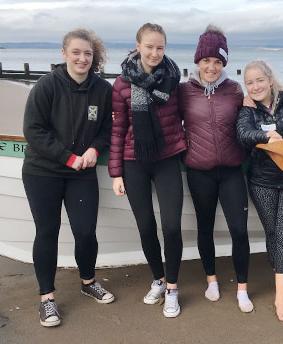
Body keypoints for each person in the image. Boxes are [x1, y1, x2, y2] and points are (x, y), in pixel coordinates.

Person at [22, 28, 114, 327]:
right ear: (64, 54)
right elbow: (33, 130)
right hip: (43, 172)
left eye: (87, 53)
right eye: (76, 52)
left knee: (86, 232)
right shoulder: (47, 86)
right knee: (47, 233)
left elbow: (106, 130)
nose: (82, 58)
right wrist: (68, 157)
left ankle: (88, 282)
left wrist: (94, 150)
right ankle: (47, 298)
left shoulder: (102, 89)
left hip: (81, 175)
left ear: (94, 56)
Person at [109, 23, 186, 317]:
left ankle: (173, 289)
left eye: (160, 47)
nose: (155, 53)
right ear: (138, 45)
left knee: (171, 226)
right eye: (149, 46)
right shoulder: (121, 85)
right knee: (145, 227)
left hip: (167, 159)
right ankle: (159, 279)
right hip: (133, 162)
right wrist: (116, 173)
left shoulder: (173, 79)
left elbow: (185, 116)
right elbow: (117, 130)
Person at [178, 25, 253, 312]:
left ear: (224, 64)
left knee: (239, 230)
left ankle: (243, 288)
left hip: (232, 171)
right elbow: (166, 121)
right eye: (206, 60)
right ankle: (211, 280)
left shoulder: (235, 90)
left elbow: (253, 118)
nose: (211, 67)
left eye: (218, 61)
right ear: (197, 61)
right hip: (199, 172)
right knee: (205, 228)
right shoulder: (184, 91)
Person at [236, 60, 283, 321]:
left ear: (269, 79)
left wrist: (280, 138)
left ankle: (279, 300)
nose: (255, 86)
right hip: (262, 181)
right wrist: (268, 138)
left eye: (259, 80)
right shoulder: (247, 108)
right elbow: (243, 134)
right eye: (249, 82)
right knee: (273, 233)